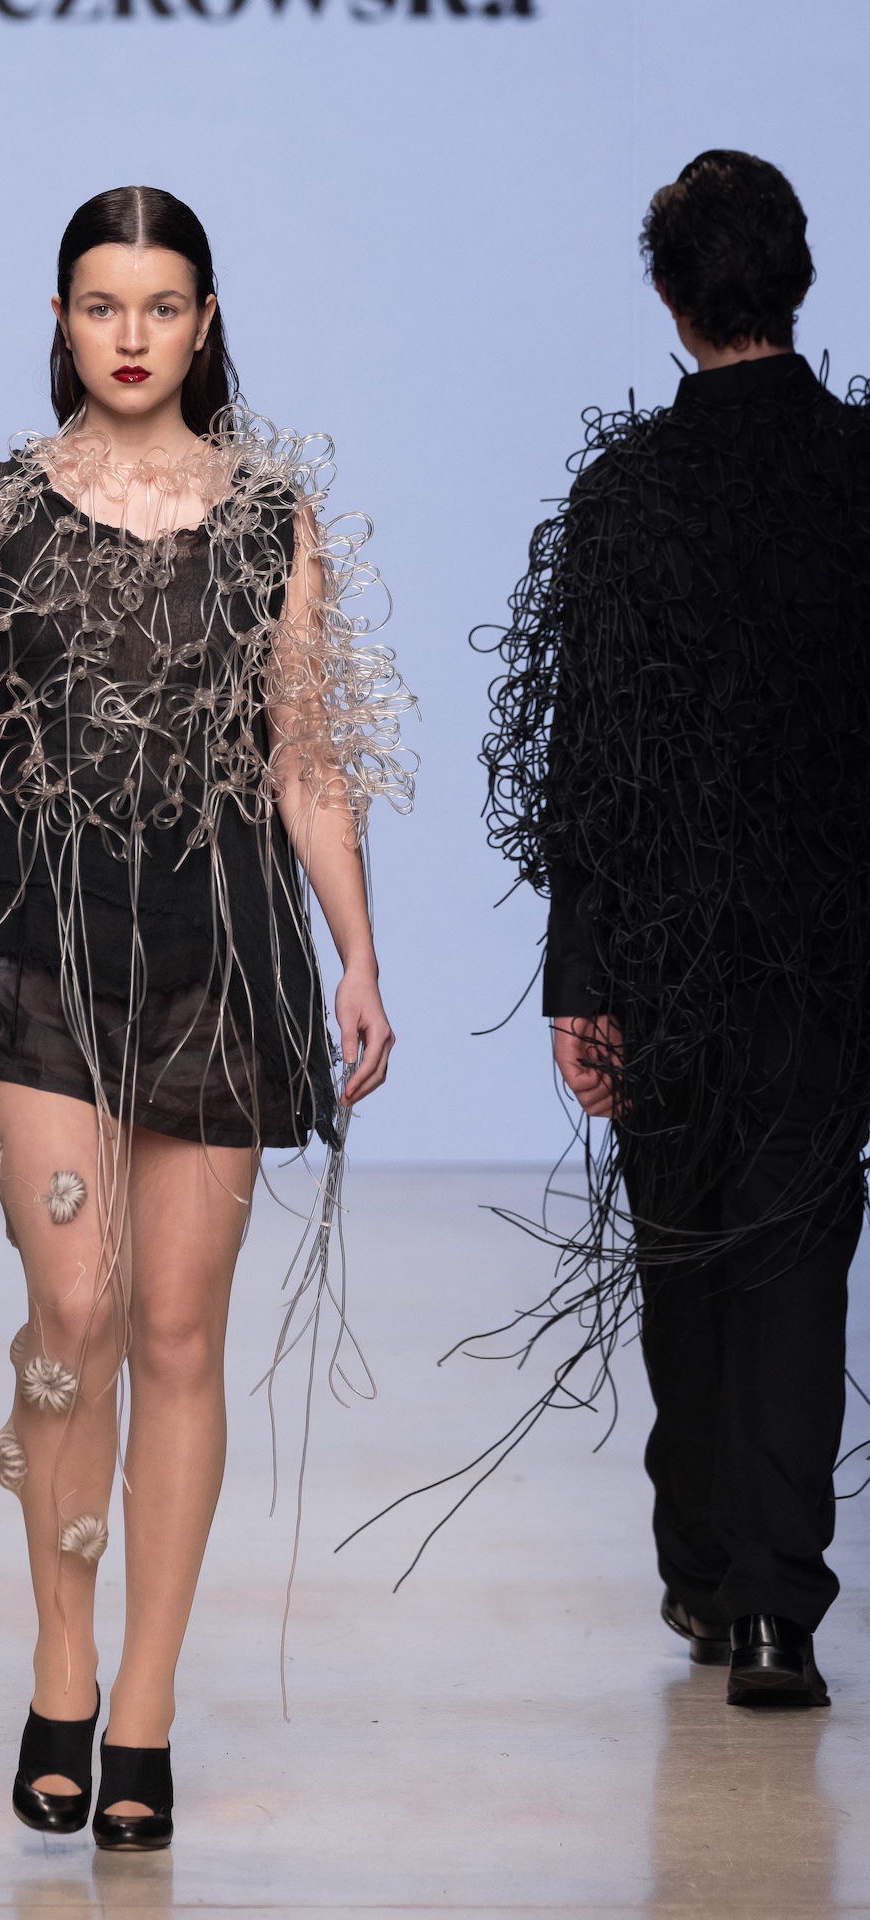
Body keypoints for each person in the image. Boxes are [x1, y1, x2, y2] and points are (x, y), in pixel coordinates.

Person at [0, 187, 413, 1847]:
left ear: (203, 322)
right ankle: (61, 1666)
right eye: (101, 304)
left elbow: (302, 749)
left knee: (179, 1335)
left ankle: (146, 1712)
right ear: (59, 319)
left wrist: (357, 952)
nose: (130, 335)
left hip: (221, 953)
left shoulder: (270, 520)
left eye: (161, 305)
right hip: (31, 942)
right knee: (77, 1311)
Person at [479, 151, 870, 1709]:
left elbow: (587, 760)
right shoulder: (860, 477)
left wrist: (580, 979)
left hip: (664, 947)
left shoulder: (624, 495)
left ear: (666, 296)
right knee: (794, 1253)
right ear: (798, 277)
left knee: (684, 1252)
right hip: (829, 943)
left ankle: (707, 1578)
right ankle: (774, 1611)